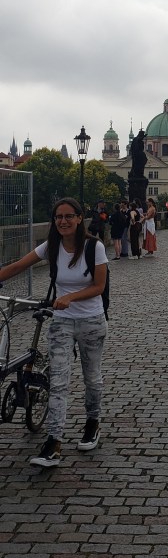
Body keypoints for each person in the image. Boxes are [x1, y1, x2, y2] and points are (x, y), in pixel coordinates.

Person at [0, 197, 108, 468]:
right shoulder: (52, 246)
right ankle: (54, 442)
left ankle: (92, 423)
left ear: (79, 218)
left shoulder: (94, 247)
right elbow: (18, 266)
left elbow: (98, 287)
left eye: (69, 216)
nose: (63, 221)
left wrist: (70, 297)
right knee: (58, 381)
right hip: (62, 322)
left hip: (91, 321)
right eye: (58, 217)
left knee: (92, 378)